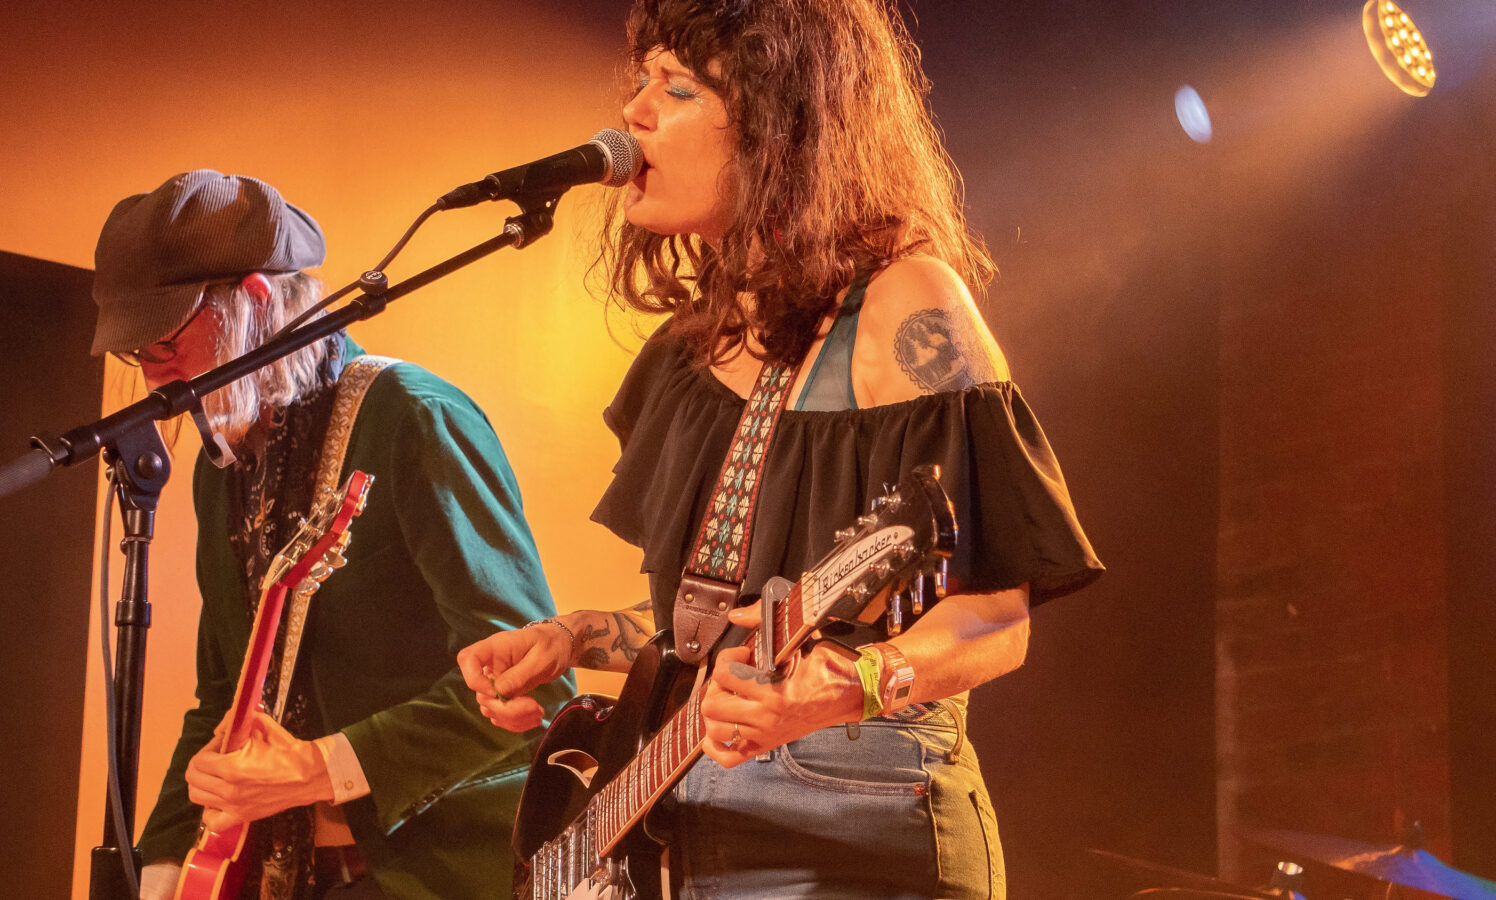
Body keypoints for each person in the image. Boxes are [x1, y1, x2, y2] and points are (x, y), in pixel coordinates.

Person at [457, 1, 1103, 898]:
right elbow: (728, 637)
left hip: (855, 825)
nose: (634, 113)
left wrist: (851, 685)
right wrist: (577, 638)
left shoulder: (908, 305)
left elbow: (999, 619)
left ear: (780, 125)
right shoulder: (703, 339)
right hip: (692, 814)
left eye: (677, 87)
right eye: (640, 78)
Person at [90, 169, 573, 900]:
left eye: (160, 343)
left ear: (252, 301)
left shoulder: (412, 416)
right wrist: (160, 875)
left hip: (440, 875)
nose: (156, 379)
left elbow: (541, 686)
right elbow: (222, 699)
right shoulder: (222, 464)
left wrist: (322, 768)